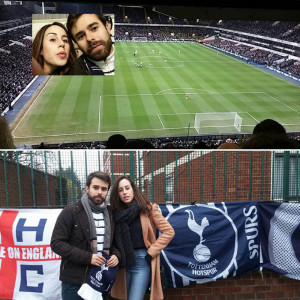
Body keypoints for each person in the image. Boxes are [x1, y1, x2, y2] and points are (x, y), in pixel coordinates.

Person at [51, 171, 120, 300]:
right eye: (95, 187)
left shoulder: (110, 213)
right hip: (74, 281)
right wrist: (88, 258)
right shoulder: (71, 211)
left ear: (108, 191)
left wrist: (116, 255)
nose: (99, 192)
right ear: (87, 188)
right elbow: (57, 243)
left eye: (104, 189)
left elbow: (114, 242)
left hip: (100, 279)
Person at [110, 175, 175, 300]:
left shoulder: (148, 209)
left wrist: (152, 251)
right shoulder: (115, 213)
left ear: (133, 189)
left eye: (127, 188)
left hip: (141, 262)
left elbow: (169, 231)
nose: (124, 192)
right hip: (123, 264)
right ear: (117, 194)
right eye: (120, 190)